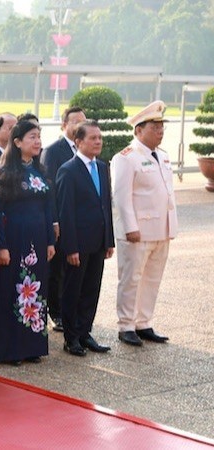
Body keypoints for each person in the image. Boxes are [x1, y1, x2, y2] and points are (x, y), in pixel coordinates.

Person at [0, 120, 55, 365]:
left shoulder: (40, 172)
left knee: (36, 291)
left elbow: (48, 210)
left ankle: (32, 345)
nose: (38, 142)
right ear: (17, 142)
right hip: (14, 240)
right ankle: (10, 350)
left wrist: (50, 241)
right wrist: (1, 246)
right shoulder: (4, 174)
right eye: (32, 137)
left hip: (38, 241)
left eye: (39, 137)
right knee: (12, 291)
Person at [112, 100, 177, 347]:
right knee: (131, 279)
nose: (160, 131)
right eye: (155, 127)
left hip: (161, 229)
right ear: (139, 130)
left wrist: (172, 225)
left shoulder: (163, 156)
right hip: (138, 231)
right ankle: (126, 325)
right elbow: (121, 195)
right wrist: (130, 227)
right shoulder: (126, 158)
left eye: (162, 127)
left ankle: (144, 322)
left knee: (152, 278)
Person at [56, 121, 114, 357]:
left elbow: (106, 206)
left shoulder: (102, 167)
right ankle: (71, 338)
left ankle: (84, 332)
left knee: (92, 289)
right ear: (79, 142)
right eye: (92, 138)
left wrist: (109, 240)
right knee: (73, 290)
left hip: (98, 242)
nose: (98, 142)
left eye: (100, 138)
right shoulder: (68, 170)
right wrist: (70, 247)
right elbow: (65, 212)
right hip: (78, 244)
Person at [40, 106, 87, 332]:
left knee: (76, 269)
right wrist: (55, 221)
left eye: (83, 121)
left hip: (81, 222)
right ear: (64, 125)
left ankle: (73, 311)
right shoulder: (53, 151)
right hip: (60, 220)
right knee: (57, 269)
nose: (80, 125)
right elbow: (50, 189)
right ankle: (55, 312)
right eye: (75, 121)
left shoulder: (86, 151)